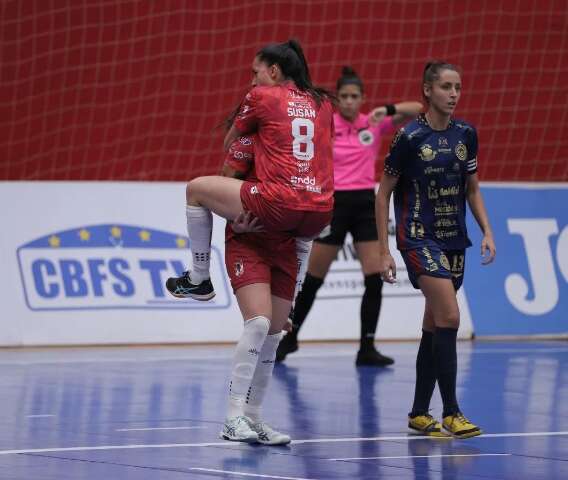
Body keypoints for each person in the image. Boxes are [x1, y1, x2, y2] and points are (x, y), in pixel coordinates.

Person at [375, 61, 496, 438]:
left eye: (458, 87)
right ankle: (452, 412)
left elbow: (472, 188)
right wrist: (384, 250)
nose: (454, 94)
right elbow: (383, 195)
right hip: (417, 237)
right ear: (427, 90)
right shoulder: (409, 138)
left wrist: (487, 231)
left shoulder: (466, 135)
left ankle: (417, 412)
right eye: (446, 87)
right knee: (450, 317)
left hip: (453, 238)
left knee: (433, 325)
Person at [165, 39, 334, 301]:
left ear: (274, 71)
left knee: (196, 189)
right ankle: (294, 297)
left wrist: (255, 137)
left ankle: (199, 277)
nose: (253, 81)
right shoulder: (322, 102)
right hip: (321, 209)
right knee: (302, 225)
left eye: (256, 73)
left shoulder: (261, 96)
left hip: (275, 203)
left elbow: (229, 143)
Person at [276, 66, 422, 366]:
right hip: (334, 203)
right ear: (337, 99)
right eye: (343, 96)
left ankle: (366, 347)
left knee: (374, 277)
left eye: (355, 96)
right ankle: (290, 339)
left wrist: (388, 109)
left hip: (365, 205)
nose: (349, 101)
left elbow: (419, 109)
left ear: (362, 98)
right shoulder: (326, 125)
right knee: (314, 278)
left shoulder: (374, 123)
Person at [217, 133, 296, 445]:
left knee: (274, 334)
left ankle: (252, 417)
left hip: (287, 246)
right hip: (248, 241)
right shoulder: (248, 143)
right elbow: (221, 187)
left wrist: (295, 301)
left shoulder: (302, 151)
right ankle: (232, 418)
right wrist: (234, 219)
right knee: (259, 323)